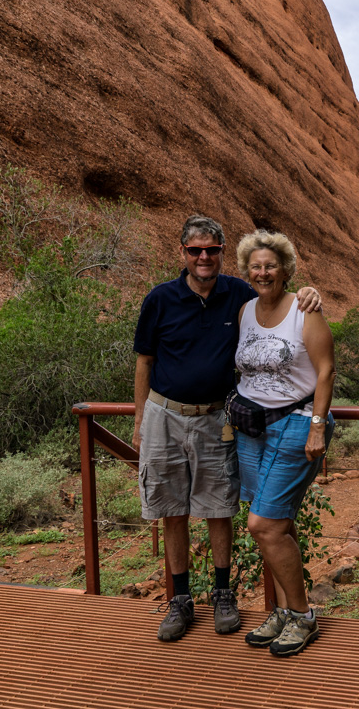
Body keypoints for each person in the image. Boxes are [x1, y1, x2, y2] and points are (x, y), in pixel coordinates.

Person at [133, 215, 321, 642]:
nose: (203, 257)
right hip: (163, 414)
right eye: (195, 250)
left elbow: (281, 294)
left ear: (221, 254)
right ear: (182, 253)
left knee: (220, 507)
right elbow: (144, 361)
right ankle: (180, 600)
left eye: (212, 250)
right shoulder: (160, 299)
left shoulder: (237, 293)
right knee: (172, 509)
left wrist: (310, 292)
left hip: (218, 417)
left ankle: (223, 594)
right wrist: (140, 420)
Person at [232, 229, 335, 657]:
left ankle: (303, 615)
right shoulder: (245, 311)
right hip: (251, 426)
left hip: (295, 423)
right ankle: (282, 613)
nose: (262, 272)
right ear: (246, 272)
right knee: (276, 527)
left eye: (270, 265)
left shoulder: (303, 309)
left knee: (263, 525)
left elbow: (326, 371)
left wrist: (316, 426)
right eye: (255, 266)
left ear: (286, 269)